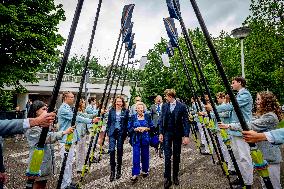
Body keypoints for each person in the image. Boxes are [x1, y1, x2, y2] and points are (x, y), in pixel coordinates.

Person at [220, 91, 283, 189]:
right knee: (265, 184)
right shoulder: (262, 115)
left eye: (258, 99)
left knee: (273, 185)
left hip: (271, 157)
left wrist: (229, 125)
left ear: (266, 101)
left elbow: (250, 125)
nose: (256, 101)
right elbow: (249, 122)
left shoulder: (270, 116)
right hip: (264, 156)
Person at [25, 100, 74, 189]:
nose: (46, 111)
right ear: (36, 112)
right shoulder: (32, 128)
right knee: (38, 184)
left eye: (46, 109)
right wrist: (64, 132)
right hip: (38, 162)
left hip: (45, 160)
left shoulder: (42, 125)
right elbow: (46, 138)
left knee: (42, 183)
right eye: (43, 109)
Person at [216, 77, 253, 187]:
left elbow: (232, 106)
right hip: (234, 130)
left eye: (233, 83)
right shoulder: (239, 95)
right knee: (238, 156)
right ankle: (241, 176)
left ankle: (248, 182)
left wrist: (214, 109)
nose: (231, 85)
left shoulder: (245, 94)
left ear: (240, 83)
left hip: (242, 130)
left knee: (244, 157)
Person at [57, 92, 99, 189]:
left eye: (73, 97)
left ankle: (68, 181)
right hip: (64, 139)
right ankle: (64, 185)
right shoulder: (63, 109)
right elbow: (76, 118)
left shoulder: (68, 107)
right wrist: (91, 121)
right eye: (71, 97)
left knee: (70, 161)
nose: (73, 99)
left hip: (70, 139)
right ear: (65, 98)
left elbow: (81, 116)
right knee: (66, 163)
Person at [159, 89, 190, 188]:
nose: (165, 97)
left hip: (177, 134)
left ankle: (175, 176)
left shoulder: (182, 106)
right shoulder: (164, 106)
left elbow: (186, 121)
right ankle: (167, 178)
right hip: (167, 133)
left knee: (177, 155)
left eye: (166, 96)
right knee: (167, 155)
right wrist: (160, 133)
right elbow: (161, 119)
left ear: (170, 96)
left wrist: (186, 135)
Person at [128, 102, 154, 181]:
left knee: (145, 155)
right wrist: (135, 129)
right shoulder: (132, 117)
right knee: (136, 156)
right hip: (136, 139)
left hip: (145, 139)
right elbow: (129, 128)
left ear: (144, 109)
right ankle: (135, 173)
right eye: (138, 108)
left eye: (141, 108)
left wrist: (146, 129)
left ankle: (145, 170)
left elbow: (152, 127)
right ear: (136, 109)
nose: (140, 109)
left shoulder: (147, 116)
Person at [106, 96, 129, 182]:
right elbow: (109, 122)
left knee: (119, 150)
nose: (119, 103)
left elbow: (127, 123)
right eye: (117, 102)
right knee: (111, 150)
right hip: (112, 132)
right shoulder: (111, 111)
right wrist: (108, 131)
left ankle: (119, 169)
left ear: (122, 103)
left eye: (120, 102)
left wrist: (126, 132)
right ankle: (112, 170)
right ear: (115, 102)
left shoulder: (125, 111)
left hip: (121, 133)